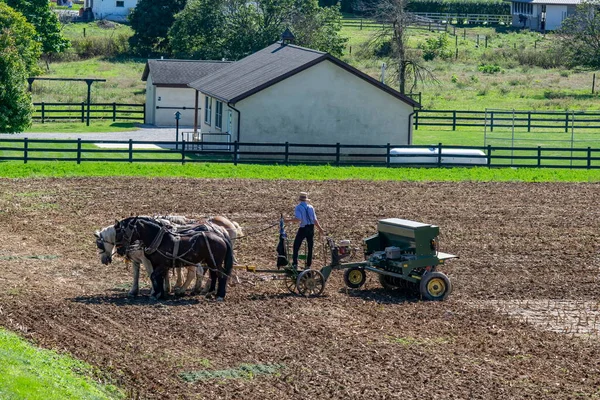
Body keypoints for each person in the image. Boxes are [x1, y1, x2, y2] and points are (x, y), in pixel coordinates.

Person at [285, 192, 324, 269]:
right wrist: (320, 229)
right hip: (311, 228)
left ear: (299, 199)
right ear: (306, 200)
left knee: (296, 245)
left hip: (303, 228)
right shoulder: (311, 207)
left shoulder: (298, 207)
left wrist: (288, 220)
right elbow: (315, 220)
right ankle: (308, 265)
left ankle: (295, 263)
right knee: (310, 247)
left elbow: (298, 219)